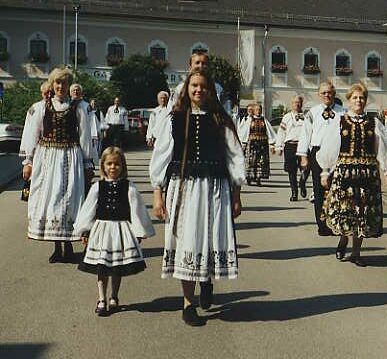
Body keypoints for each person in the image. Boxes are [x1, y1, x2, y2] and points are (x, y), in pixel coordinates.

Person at [150, 69, 245, 326]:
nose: (198, 90)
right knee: (187, 242)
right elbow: (161, 156)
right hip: (185, 188)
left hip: (215, 189)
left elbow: (235, 157)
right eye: (194, 85)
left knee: (211, 240)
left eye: (203, 86)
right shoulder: (175, 118)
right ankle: (188, 304)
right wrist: (157, 194)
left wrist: (237, 194)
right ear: (186, 88)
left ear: (210, 90)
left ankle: (206, 281)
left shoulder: (221, 119)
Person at [19, 68, 94, 263]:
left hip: (71, 156)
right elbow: (32, 134)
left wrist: (88, 163)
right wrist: (28, 161)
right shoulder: (41, 107)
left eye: (64, 83)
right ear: (52, 85)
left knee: (70, 197)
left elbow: (85, 136)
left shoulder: (79, 107)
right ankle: (56, 246)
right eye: (57, 83)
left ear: (69, 86)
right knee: (51, 199)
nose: (61, 87)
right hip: (48, 158)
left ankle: (68, 244)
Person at [317, 82, 387, 266]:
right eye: (355, 98)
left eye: (362, 98)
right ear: (349, 100)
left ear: (366, 101)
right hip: (345, 173)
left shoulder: (373, 122)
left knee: (363, 213)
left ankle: (356, 253)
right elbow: (330, 146)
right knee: (345, 210)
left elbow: (382, 147)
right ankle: (343, 239)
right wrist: (325, 171)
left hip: (367, 174)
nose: (358, 101)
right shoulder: (340, 121)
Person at [74, 147, 155, 316]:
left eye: (117, 164)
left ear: (123, 166)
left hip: (121, 230)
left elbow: (136, 210)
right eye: (109, 164)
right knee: (102, 267)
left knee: (117, 266)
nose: (113, 167)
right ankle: (101, 298)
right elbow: (89, 209)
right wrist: (84, 230)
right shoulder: (98, 187)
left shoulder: (129, 188)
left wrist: (139, 232)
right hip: (102, 230)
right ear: (103, 166)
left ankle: (114, 297)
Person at [297, 81, 345, 236]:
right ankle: (322, 224)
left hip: (338, 154)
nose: (327, 95)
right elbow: (305, 135)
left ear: (334, 94)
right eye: (323, 93)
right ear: (319, 95)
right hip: (317, 154)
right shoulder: (313, 112)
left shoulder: (343, 113)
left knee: (337, 189)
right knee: (319, 190)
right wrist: (303, 156)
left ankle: (336, 223)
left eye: (329, 92)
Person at [166, 52, 231, 115]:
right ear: (190, 67)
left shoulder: (218, 89)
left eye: (204, 63)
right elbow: (171, 112)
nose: (201, 66)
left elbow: (226, 112)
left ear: (208, 67)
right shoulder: (180, 89)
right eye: (197, 63)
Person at [275, 95, 310, 201]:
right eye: (295, 102)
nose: (297, 104)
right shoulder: (286, 117)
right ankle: (294, 193)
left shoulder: (307, 116)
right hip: (290, 145)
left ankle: (302, 183)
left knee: (306, 168)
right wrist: (279, 146)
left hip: (303, 145)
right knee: (291, 171)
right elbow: (281, 132)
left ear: (302, 104)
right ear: (292, 104)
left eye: (299, 102)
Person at [242, 103, 276, 186]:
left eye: (260, 109)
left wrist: (272, 144)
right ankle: (249, 177)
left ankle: (258, 178)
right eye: (257, 109)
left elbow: (270, 131)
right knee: (251, 161)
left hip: (262, 144)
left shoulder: (264, 120)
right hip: (252, 144)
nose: (258, 111)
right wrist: (244, 143)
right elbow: (245, 132)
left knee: (261, 161)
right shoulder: (250, 120)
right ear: (253, 111)